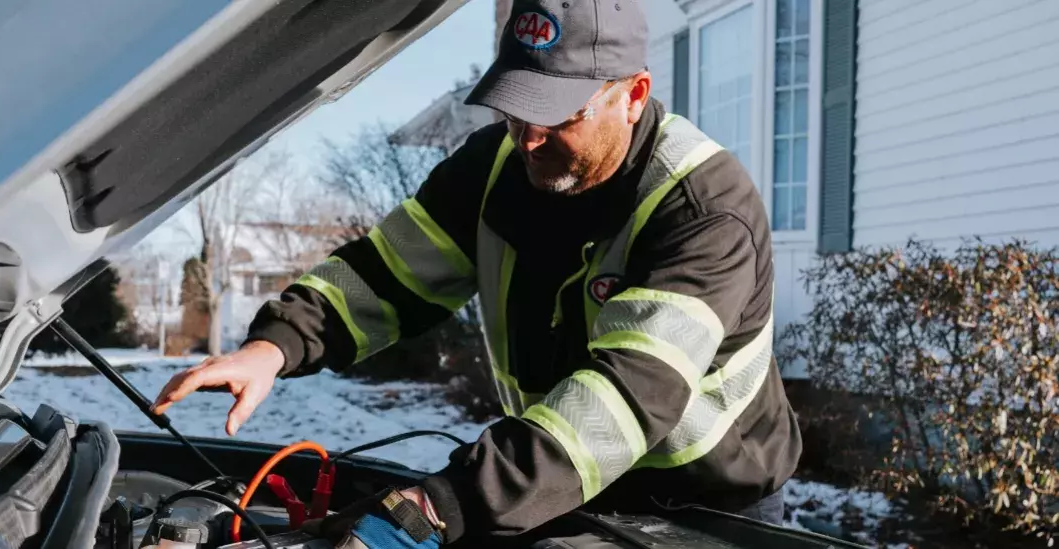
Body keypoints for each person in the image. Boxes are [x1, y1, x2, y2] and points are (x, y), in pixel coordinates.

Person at [153, 0, 802, 546]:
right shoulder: (494, 168)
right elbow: (386, 273)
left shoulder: (702, 210)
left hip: (703, 501)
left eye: (557, 114)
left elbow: (622, 401)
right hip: (554, 475)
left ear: (632, 95)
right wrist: (275, 345)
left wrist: (440, 504)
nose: (527, 138)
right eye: (516, 109)